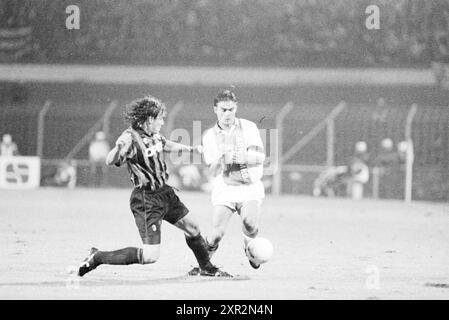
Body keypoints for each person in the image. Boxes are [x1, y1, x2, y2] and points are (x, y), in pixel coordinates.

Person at [77, 95, 230, 278]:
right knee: (150, 256)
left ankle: (207, 268)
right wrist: (118, 148)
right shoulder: (130, 138)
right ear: (149, 119)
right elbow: (111, 160)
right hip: (146, 199)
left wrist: (191, 149)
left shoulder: (153, 134)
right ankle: (97, 257)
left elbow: (165, 144)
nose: (162, 121)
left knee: (193, 228)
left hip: (164, 193)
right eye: (160, 118)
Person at [200, 90, 268, 270]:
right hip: (226, 188)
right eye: (223, 110)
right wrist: (220, 159)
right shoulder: (209, 136)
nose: (227, 114)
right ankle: (204, 265)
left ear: (236, 108)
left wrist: (233, 157)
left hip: (250, 187)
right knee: (216, 235)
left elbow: (259, 158)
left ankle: (250, 249)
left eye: (231, 109)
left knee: (250, 224)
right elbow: (213, 170)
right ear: (215, 109)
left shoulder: (248, 127)